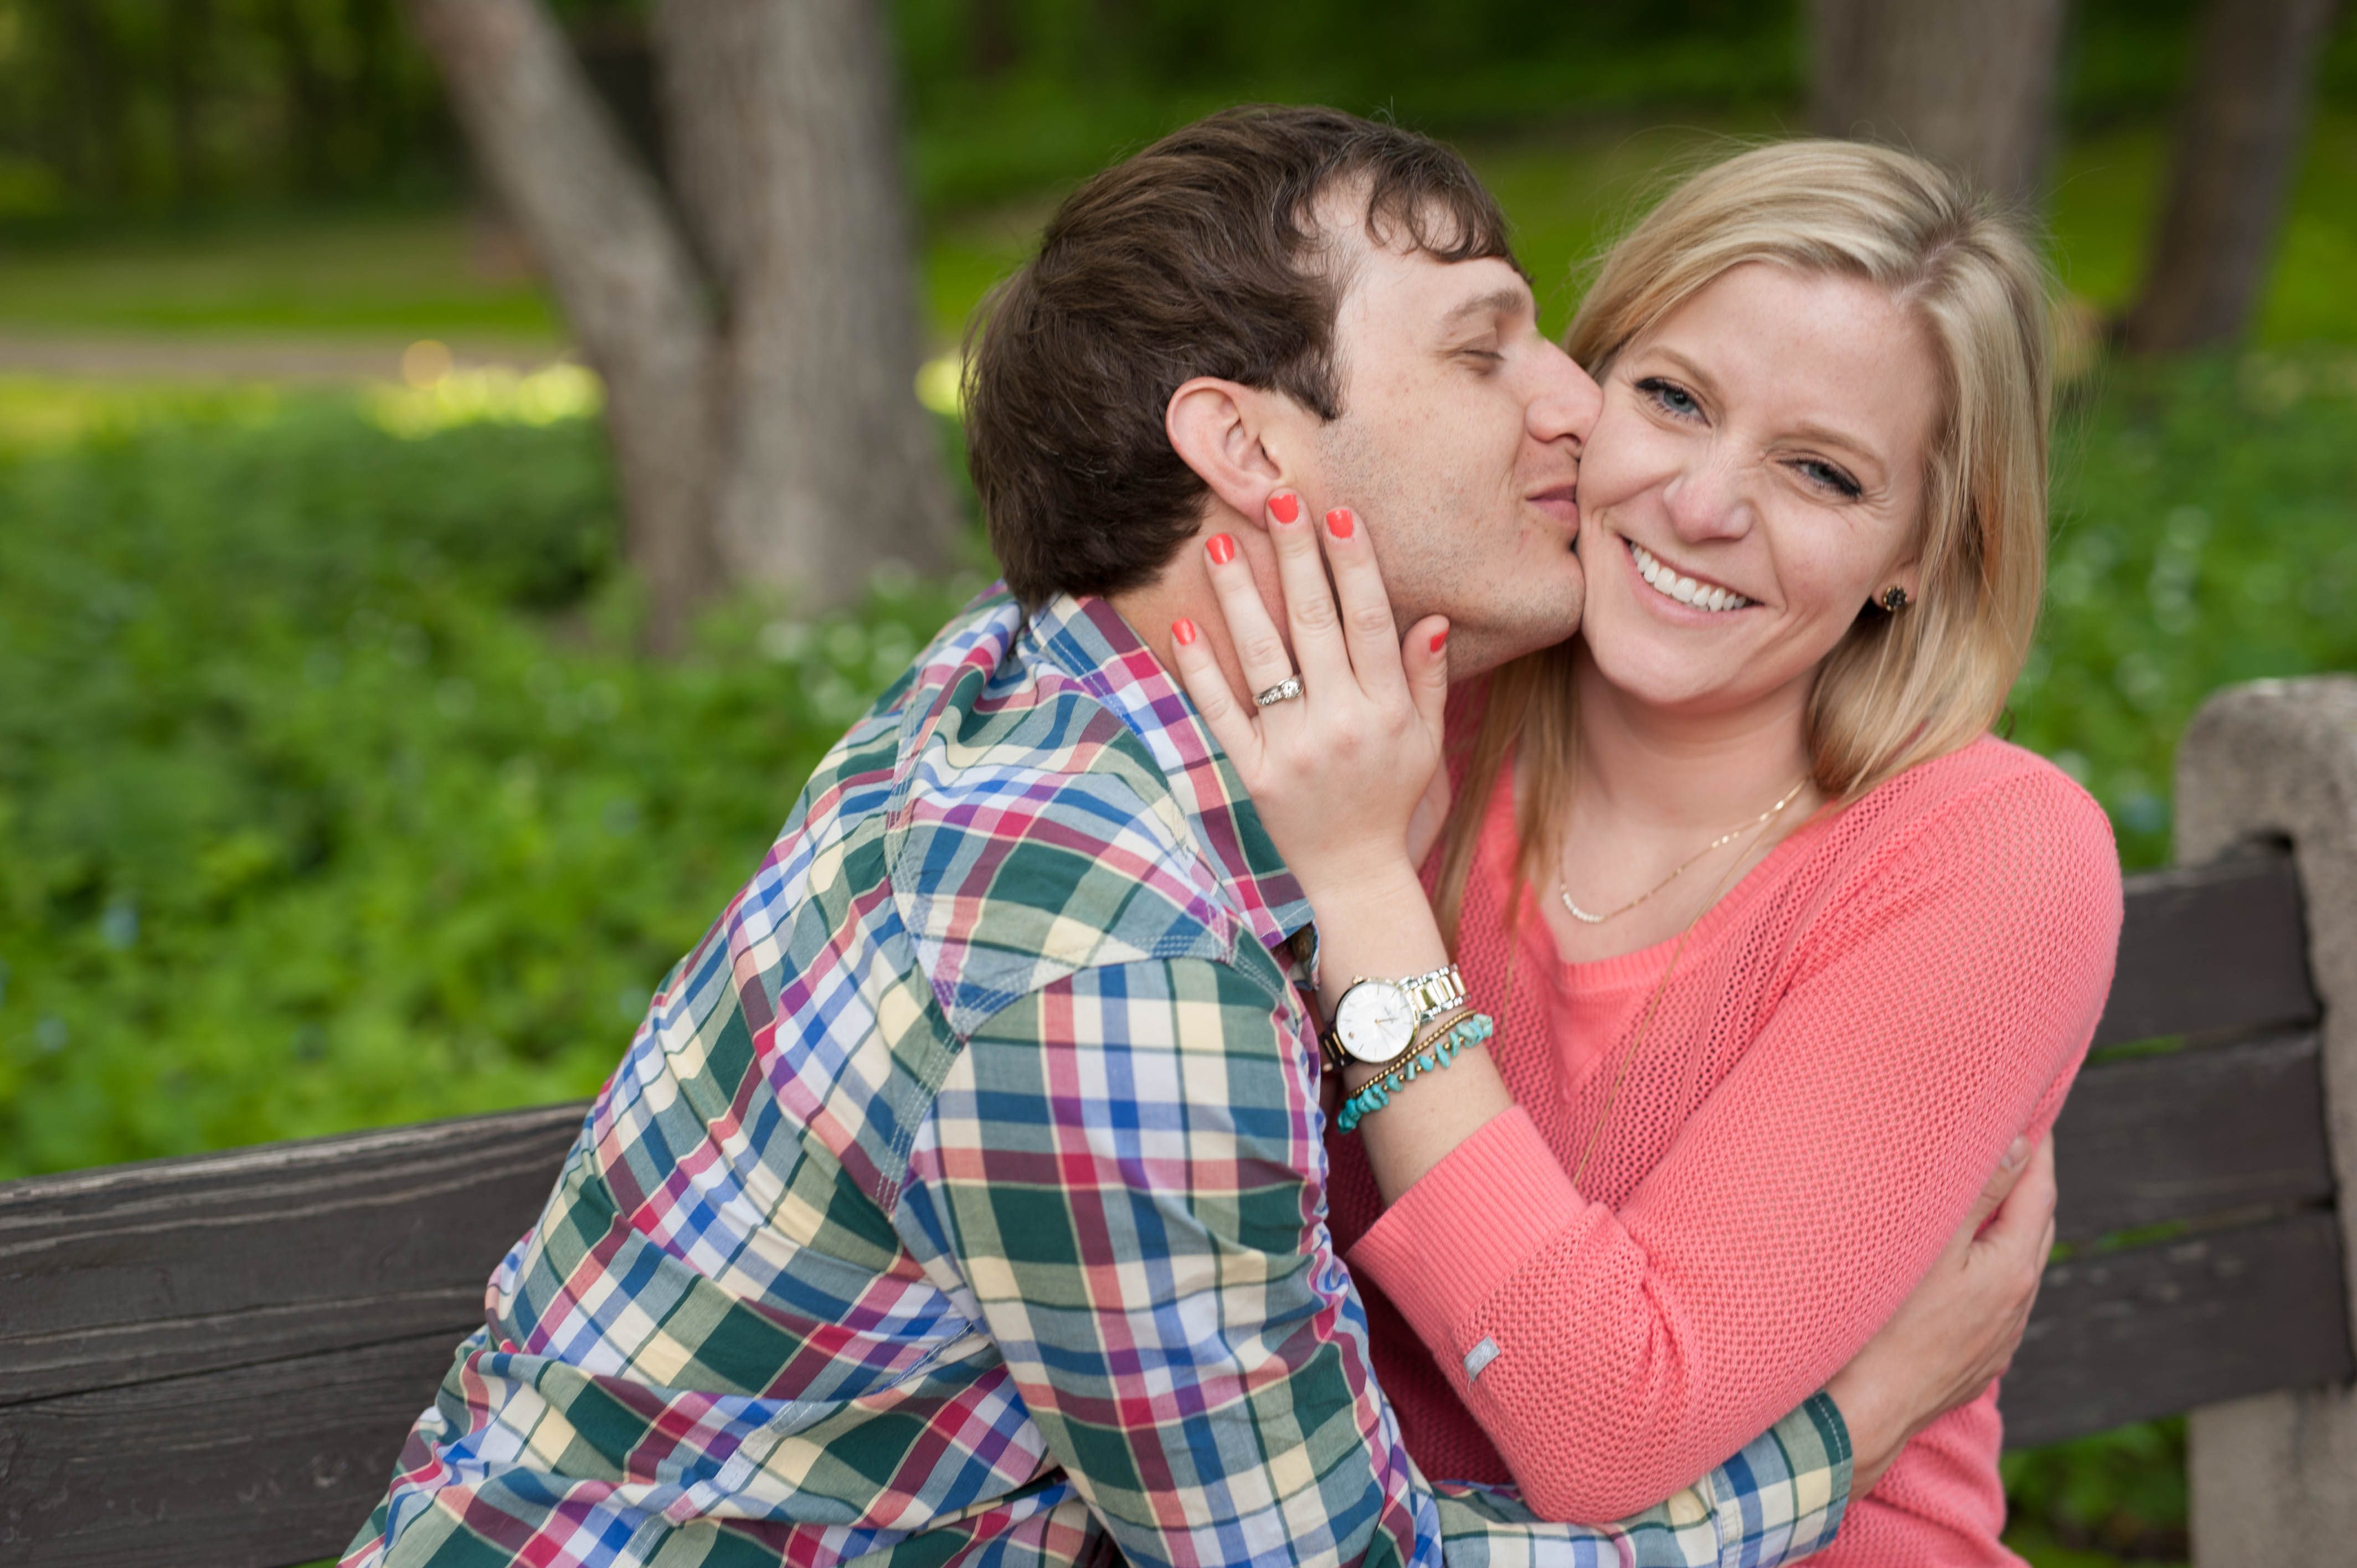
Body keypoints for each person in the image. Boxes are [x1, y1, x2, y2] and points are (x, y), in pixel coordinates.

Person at [341, 110, 2055, 1568]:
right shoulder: (1123, 968)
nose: (1584, 418)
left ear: (1926, 541)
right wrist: (1867, 1414)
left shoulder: (1039, 680)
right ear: (1241, 444)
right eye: (1491, 353)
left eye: (1826, 474)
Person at [1165, 140, 2119, 1567]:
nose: (1703, 505)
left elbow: (1609, 1424)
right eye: (1673, 400)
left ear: (1924, 548)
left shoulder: (1988, 852)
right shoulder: (1403, 718)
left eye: (1822, 473)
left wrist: (1366, 896)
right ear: (1573, 391)